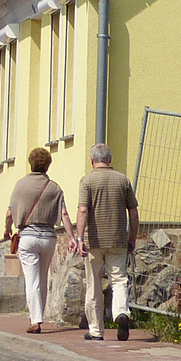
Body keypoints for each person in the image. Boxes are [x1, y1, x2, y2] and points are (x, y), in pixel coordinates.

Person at [3, 146, 74, 334]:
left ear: (30, 163)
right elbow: (64, 214)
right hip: (49, 238)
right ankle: (38, 315)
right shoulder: (54, 188)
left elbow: (10, 213)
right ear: (48, 165)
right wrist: (73, 237)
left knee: (32, 279)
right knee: (43, 278)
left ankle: (36, 319)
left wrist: (7, 229)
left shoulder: (20, 185)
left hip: (27, 237)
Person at [75, 142, 140, 341]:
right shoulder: (123, 180)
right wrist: (132, 237)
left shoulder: (87, 181)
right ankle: (121, 312)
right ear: (110, 160)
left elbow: (83, 210)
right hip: (118, 238)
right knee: (119, 279)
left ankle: (96, 330)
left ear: (92, 160)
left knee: (94, 283)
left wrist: (79, 238)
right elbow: (134, 211)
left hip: (94, 240)